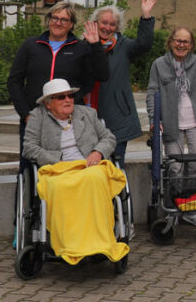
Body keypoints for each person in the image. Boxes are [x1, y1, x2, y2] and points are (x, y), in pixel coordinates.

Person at [21, 79, 127, 264]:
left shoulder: (87, 113)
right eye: (61, 97)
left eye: (70, 95)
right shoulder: (38, 117)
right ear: (48, 103)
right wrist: (56, 160)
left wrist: (98, 152)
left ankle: (100, 242)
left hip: (88, 166)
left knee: (95, 179)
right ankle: (69, 245)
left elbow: (109, 137)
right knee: (59, 187)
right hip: (58, 169)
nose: (68, 100)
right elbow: (29, 148)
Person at [145, 16, 196, 228]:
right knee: (174, 169)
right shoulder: (159, 65)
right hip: (171, 124)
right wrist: (154, 120)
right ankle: (175, 208)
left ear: (191, 45)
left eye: (186, 42)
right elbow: (152, 92)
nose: (181, 45)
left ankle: (193, 209)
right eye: (178, 40)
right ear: (171, 42)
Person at [8, 1, 110, 153]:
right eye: (55, 18)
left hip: (69, 119)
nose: (58, 23)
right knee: (31, 163)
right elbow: (14, 82)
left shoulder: (81, 48)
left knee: (68, 162)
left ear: (71, 25)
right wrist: (26, 114)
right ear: (49, 20)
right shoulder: (30, 45)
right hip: (35, 117)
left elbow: (102, 75)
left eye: (64, 20)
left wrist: (95, 46)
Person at [87, 0, 158, 167]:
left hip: (117, 115)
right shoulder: (85, 45)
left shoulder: (123, 46)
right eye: (104, 23)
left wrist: (146, 16)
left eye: (112, 24)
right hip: (89, 114)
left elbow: (144, 44)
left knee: (116, 165)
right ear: (95, 23)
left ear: (117, 27)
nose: (107, 27)